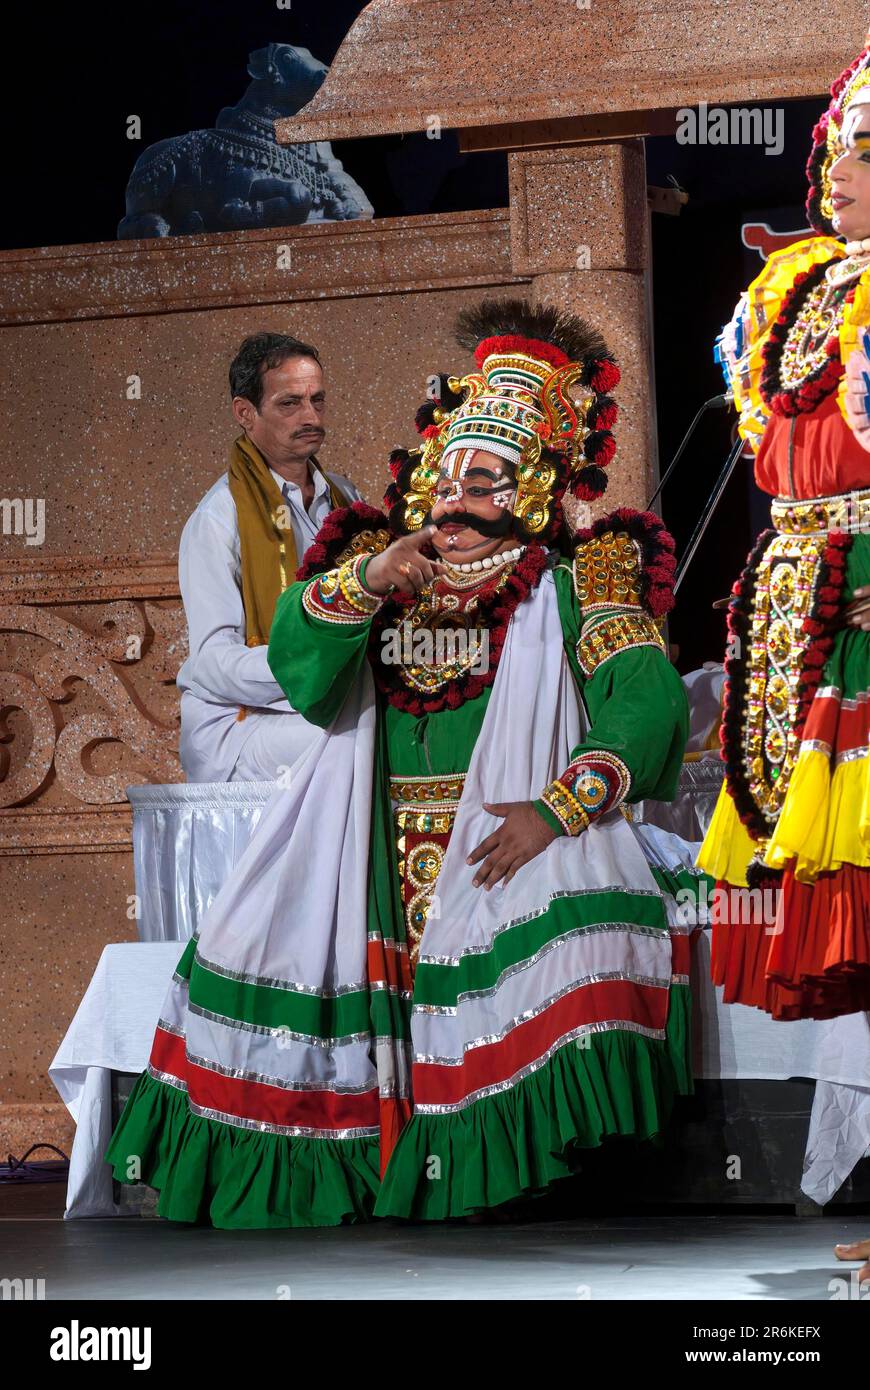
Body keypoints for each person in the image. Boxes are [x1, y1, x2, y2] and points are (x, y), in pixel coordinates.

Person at [105, 299, 690, 1226]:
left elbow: (647, 698)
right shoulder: (383, 563)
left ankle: (495, 1180)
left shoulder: (582, 575)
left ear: (535, 489)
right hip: (371, 850)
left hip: (509, 843)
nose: (455, 496)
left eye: (487, 479)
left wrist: (558, 809)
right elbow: (299, 663)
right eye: (445, 474)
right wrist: (371, 579)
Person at [693, 40, 870, 1290]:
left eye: (864, 158)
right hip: (805, 611)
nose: (841, 177)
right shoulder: (796, 290)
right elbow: (772, 450)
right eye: (840, 155)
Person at [176, 331, 362, 782]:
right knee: (363, 737)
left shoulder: (344, 497)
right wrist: (314, 672)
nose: (310, 416)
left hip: (326, 700)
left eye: (318, 400)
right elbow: (213, 663)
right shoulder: (219, 518)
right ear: (245, 412)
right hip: (240, 725)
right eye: (289, 403)